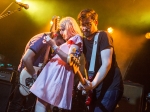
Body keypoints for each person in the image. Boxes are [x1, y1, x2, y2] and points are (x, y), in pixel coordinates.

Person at [30, 17, 83, 112]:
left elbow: (70, 60)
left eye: (63, 29)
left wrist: (54, 46)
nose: (61, 33)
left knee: (41, 103)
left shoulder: (76, 38)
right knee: (42, 103)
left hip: (57, 76)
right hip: (54, 75)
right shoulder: (70, 41)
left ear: (69, 27)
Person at [77, 9, 124, 112]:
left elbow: (106, 64)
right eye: (82, 24)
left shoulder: (103, 35)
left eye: (88, 24)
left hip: (111, 86)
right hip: (97, 88)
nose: (84, 28)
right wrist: (84, 81)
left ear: (96, 22)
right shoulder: (83, 41)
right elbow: (88, 66)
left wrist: (92, 84)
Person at [7, 31, 65, 112]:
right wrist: (34, 75)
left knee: (30, 106)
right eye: (58, 43)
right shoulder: (41, 39)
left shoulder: (48, 42)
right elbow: (26, 58)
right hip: (26, 75)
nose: (57, 46)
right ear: (56, 35)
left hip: (33, 76)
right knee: (17, 104)